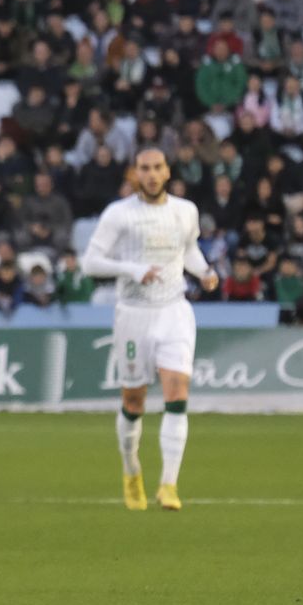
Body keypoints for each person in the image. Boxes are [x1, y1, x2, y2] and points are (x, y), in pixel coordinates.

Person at [81, 148, 219, 512]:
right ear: (135, 174)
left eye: (158, 167)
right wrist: (132, 269)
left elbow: (188, 250)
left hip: (174, 310)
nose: (152, 174)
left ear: (168, 171)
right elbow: (90, 262)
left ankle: (169, 485)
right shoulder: (119, 214)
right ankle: (131, 471)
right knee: (134, 401)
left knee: (177, 393)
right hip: (134, 315)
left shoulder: (185, 211)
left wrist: (204, 271)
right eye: (145, 168)